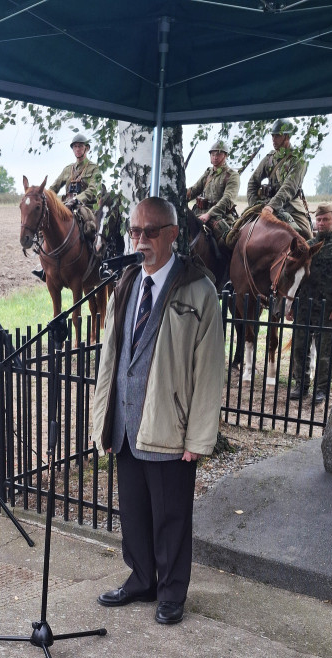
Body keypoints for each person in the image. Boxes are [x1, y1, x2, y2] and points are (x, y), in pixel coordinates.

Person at [91, 197, 225, 626]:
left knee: (170, 516)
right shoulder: (127, 283)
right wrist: (104, 420)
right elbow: (110, 359)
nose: (140, 239)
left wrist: (199, 438)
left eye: (150, 231)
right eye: (135, 231)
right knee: (133, 510)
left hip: (171, 426)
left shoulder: (197, 290)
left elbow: (208, 372)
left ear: (171, 233)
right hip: (127, 424)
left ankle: (170, 591)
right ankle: (142, 577)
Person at [288, 203, 332, 404]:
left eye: (326, 219)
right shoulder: (306, 246)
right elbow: (296, 277)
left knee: (325, 352)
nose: (322, 223)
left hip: (327, 308)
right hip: (304, 306)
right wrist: (291, 306)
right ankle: (301, 385)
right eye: (319, 220)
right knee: (299, 349)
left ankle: (321, 389)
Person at [32, 133, 102, 281]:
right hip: (66, 206)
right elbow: (54, 187)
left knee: (90, 227)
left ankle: (96, 260)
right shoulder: (67, 169)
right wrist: (44, 196)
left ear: (86, 148)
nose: (78, 149)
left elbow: (93, 189)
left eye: (80, 146)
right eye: (75, 146)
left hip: (85, 205)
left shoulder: (94, 169)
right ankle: (45, 267)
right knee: (46, 223)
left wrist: (77, 200)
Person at [246, 118, 312, 241]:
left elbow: (289, 188)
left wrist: (272, 206)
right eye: (272, 136)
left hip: (290, 206)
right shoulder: (269, 158)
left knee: (306, 236)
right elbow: (253, 182)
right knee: (235, 232)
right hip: (264, 204)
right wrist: (253, 204)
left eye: (277, 136)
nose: (273, 139)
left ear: (287, 137)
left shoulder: (298, 159)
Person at [186, 139, 240, 247]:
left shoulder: (232, 175)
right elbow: (194, 190)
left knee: (226, 243)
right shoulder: (208, 173)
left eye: (219, 154)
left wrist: (209, 214)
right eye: (213, 154)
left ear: (225, 156)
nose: (215, 157)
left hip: (220, 216)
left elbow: (227, 199)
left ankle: (227, 263)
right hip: (199, 213)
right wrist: (178, 196)